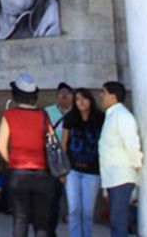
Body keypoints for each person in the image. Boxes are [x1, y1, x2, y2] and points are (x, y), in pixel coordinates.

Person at [0, 72, 55, 237]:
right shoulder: (43, 115)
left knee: (20, 219)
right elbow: (52, 142)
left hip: (18, 172)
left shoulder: (9, 115)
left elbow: (1, 146)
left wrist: (12, 161)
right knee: (41, 222)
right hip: (42, 173)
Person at [98, 81, 142, 237]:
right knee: (116, 222)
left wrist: (137, 167)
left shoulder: (122, 116)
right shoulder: (112, 116)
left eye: (104, 93)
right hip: (113, 177)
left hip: (121, 177)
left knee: (119, 222)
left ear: (113, 97)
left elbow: (131, 143)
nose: (101, 96)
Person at [61, 88, 104, 237]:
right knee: (74, 209)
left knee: (87, 211)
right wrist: (63, 169)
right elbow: (64, 144)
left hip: (92, 171)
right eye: (78, 99)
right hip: (73, 170)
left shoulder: (100, 118)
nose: (81, 102)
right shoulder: (70, 118)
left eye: (84, 98)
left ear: (90, 100)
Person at [45, 82, 74, 235]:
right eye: (61, 93)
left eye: (67, 93)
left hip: (73, 159)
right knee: (52, 198)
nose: (64, 96)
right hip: (54, 160)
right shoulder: (48, 112)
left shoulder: (76, 112)